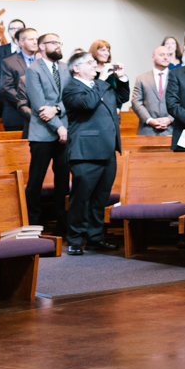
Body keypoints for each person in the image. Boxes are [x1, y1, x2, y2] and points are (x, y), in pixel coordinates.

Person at [61, 53, 121, 256]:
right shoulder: (71, 87)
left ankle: (95, 238)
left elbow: (120, 97)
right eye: (89, 62)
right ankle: (75, 239)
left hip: (107, 148)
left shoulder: (100, 85)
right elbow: (87, 104)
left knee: (100, 198)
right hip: (85, 151)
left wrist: (121, 79)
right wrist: (102, 80)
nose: (94, 65)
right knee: (81, 198)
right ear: (76, 68)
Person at [24, 33, 71, 226]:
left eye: (59, 42)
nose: (58, 46)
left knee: (62, 180)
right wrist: (58, 126)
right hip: (42, 134)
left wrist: (58, 109)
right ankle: (33, 223)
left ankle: (62, 223)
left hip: (65, 132)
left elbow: (70, 97)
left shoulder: (66, 68)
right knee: (36, 180)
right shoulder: (33, 70)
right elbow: (38, 105)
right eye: (53, 43)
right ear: (42, 46)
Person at [0, 27, 43, 133]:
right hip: (17, 116)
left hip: (41, 115)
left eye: (37, 39)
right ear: (21, 42)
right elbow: (6, 88)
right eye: (31, 39)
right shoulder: (9, 61)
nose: (35, 42)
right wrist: (24, 103)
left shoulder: (43, 60)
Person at [132, 45, 175, 135]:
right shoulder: (141, 79)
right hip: (147, 130)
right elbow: (136, 102)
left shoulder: (177, 78)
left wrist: (170, 119)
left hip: (171, 129)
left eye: (168, 55)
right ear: (153, 58)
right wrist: (149, 120)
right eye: (162, 55)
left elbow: (183, 101)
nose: (166, 57)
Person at [89, 40, 130, 111]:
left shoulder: (112, 70)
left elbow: (121, 95)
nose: (106, 53)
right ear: (94, 51)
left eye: (108, 51)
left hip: (111, 111)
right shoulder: (89, 71)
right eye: (103, 50)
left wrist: (118, 108)